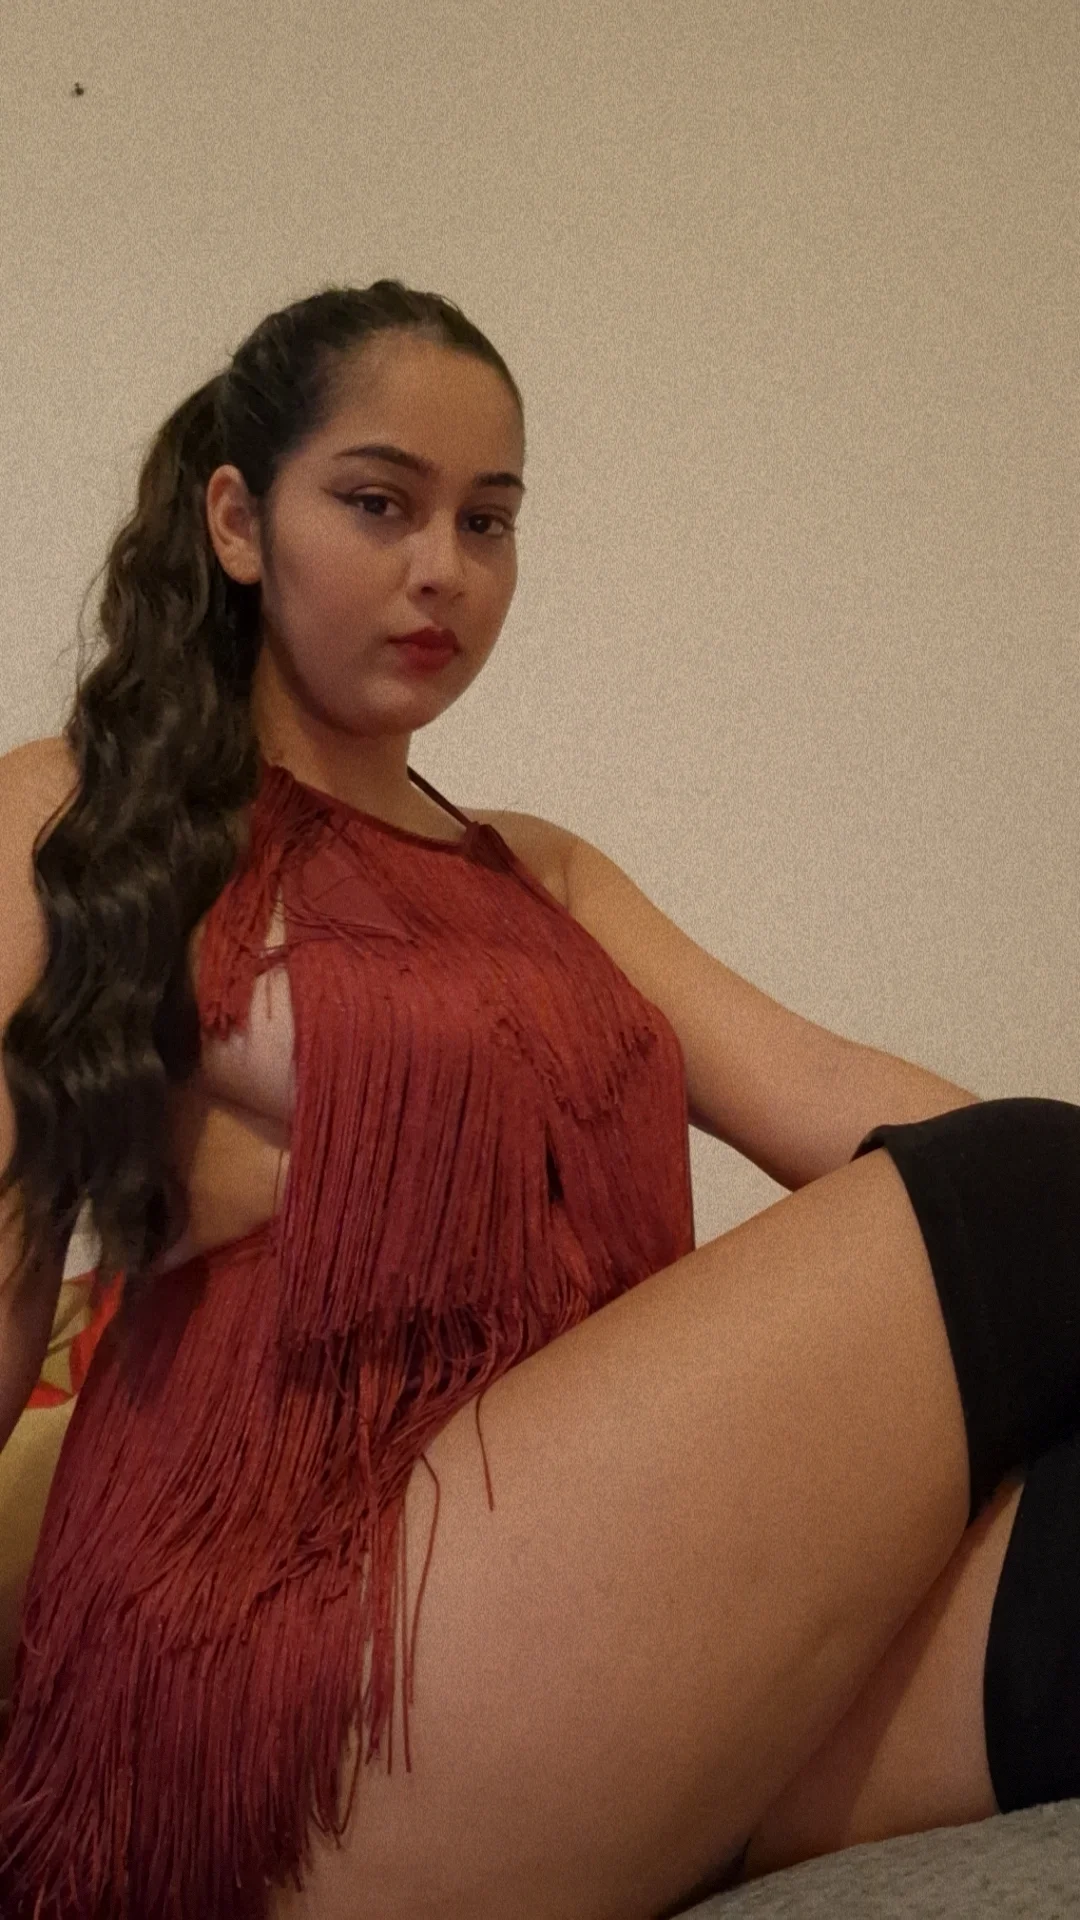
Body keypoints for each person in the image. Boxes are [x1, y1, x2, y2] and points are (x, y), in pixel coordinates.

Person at [0, 280, 1076, 1920]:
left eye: (487, 520)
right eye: (380, 503)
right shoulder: (75, 812)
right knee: (1035, 1183)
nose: (444, 566)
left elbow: (838, 1095)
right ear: (237, 520)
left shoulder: (546, 875)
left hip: (556, 1638)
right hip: (267, 1662)